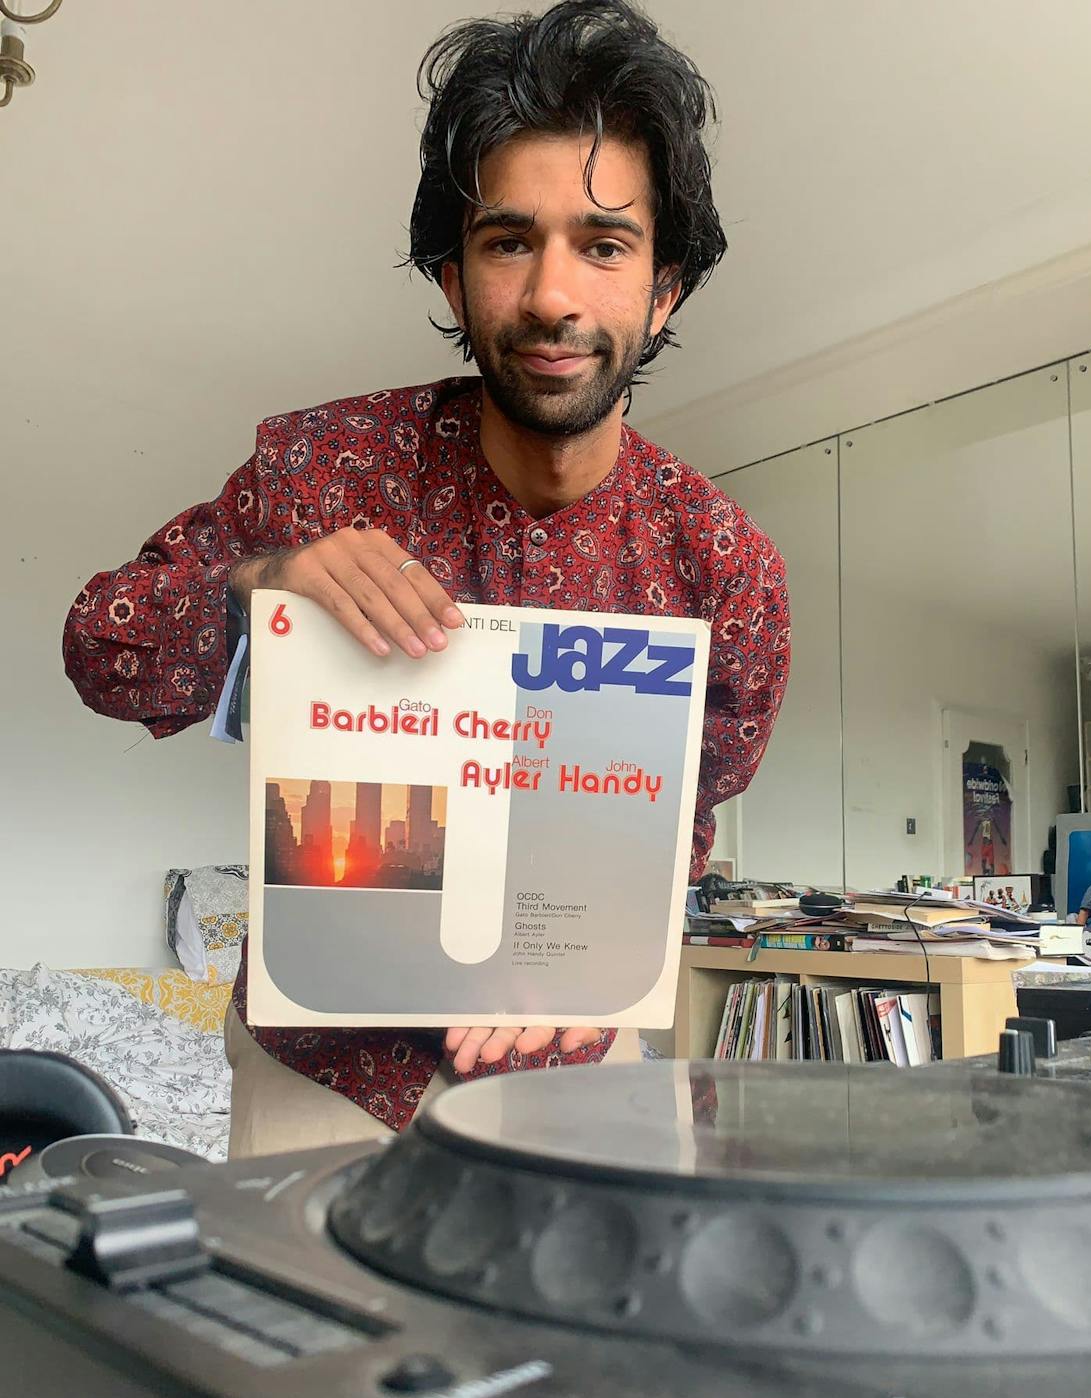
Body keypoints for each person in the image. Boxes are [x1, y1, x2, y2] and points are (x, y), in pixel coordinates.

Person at [63, 0, 790, 1155]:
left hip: (576, 1062)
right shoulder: (320, 471)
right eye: (509, 242)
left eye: (604, 245)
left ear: (664, 291)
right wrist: (258, 586)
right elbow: (103, 650)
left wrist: (592, 959)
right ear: (454, 280)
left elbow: (689, 812)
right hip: (323, 1070)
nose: (552, 297)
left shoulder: (724, 564)